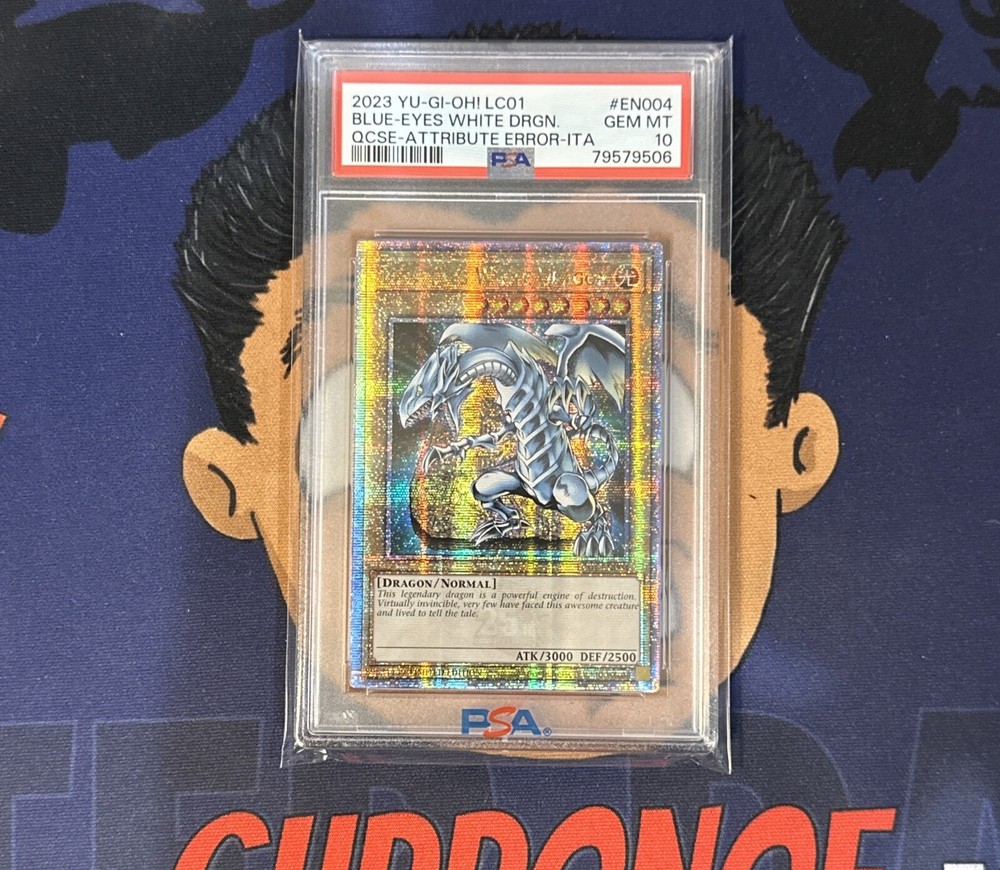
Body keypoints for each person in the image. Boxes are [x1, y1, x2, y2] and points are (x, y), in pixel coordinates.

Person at [176, 91, 844, 680]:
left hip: (551, 471)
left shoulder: (567, 407)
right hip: (526, 467)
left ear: (798, 451)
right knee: (485, 486)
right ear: (230, 485)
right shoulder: (478, 394)